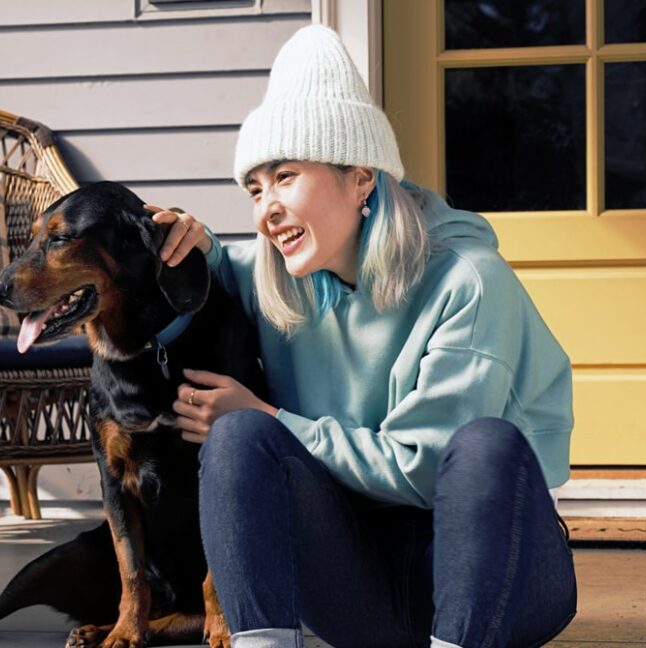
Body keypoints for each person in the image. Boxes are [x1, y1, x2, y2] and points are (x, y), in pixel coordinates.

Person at [147, 25, 576, 648]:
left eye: (286, 176)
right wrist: (192, 241)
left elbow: (426, 469)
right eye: (254, 188)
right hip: (361, 592)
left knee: (485, 444)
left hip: (498, 588)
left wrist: (273, 413)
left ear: (361, 178)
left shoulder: (470, 283)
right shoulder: (282, 281)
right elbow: (211, 267)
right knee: (238, 435)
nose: (266, 208)